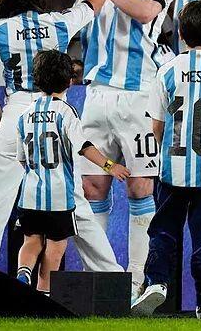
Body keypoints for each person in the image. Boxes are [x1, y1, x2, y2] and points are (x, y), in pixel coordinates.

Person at [47, 0, 178, 295]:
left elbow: (146, 11)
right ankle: (99, 282)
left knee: (140, 187)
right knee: (91, 186)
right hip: (97, 93)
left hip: (141, 95)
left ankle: (138, 282)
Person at [0, 0, 120, 273]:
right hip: (53, 114)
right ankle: (112, 278)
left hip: (15, 114)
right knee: (75, 205)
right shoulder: (58, 23)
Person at [131, 0, 201, 320]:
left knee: (164, 231)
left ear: (180, 33)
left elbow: (156, 125)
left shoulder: (167, 71)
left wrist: (166, 151)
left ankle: (157, 282)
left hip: (173, 169)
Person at [14, 50, 130, 294]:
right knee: (56, 248)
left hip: (30, 195)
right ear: (69, 81)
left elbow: (22, 159)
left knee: (31, 240)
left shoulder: (24, 115)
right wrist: (110, 166)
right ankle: (45, 292)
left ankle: (23, 272)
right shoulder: (65, 112)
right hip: (61, 195)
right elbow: (83, 146)